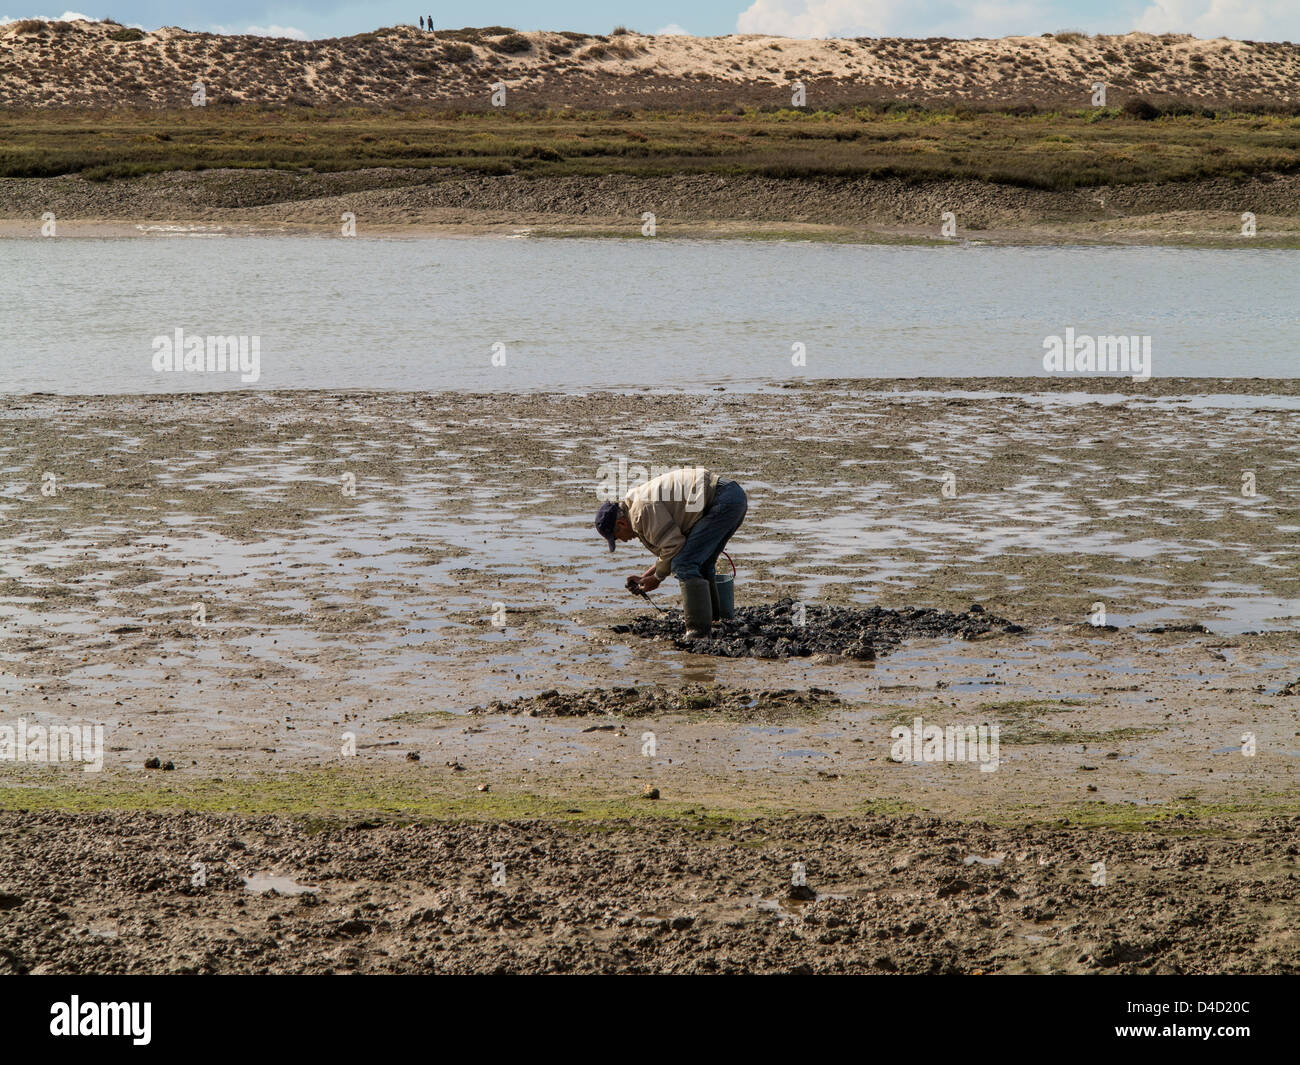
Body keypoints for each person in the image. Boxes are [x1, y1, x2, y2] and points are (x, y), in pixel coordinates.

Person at [595, 467, 747, 639]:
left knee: (684, 564)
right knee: (700, 562)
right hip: (731, 496)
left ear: (621, 524)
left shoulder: (640, 512)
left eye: (617, 537)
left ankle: (698, 633)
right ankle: (714, 621)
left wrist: (658, 578)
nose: (622, 541)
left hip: (722, 501)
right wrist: (646, 575)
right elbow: (674, 548)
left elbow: (674, 547)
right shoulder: (636, 506)